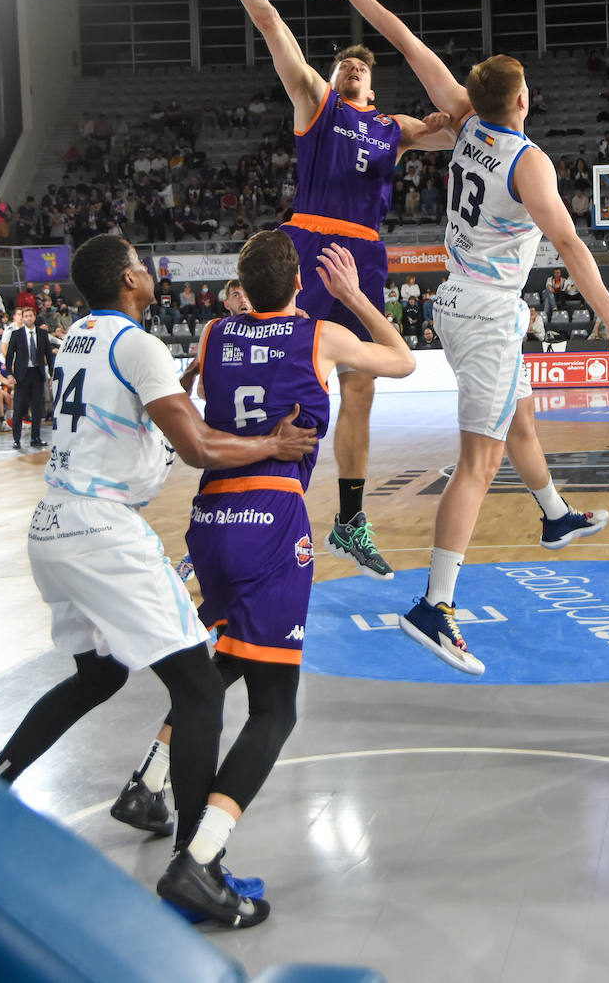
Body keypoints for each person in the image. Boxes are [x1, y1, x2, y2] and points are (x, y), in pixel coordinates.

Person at [299, 0, 609, 674]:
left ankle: (554, 517)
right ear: (522, 101)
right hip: (486, 314)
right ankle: (436, 605)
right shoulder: (529, 161)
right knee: (477, 465)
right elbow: (572, 246)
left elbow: (403, 39)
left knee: (516, 419)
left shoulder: (464, 123)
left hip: (461, 300)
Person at [0, 233, 319, 927]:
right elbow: (198, 447)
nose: (148, 270)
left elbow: (141, 416)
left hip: (50, 521)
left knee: (99, 675)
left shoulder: (78, 333)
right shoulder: (137, 344)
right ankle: (200, 869)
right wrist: (273, 446)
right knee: (200, 691)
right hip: (101, 527)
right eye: (140, 263)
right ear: (127, 281)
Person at [111, 234, 415, 907]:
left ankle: (149, 777)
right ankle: (200, 856)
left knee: (225, 661)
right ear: (302, 282)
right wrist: (354, 296)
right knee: (275, 710)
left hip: (210, 517)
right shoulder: (320, 335)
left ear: (239, 285)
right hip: (271, 519)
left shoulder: (215, 332)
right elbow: (402, 361)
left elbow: (185, 400)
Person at [196, 0, 452, 581]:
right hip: (308, 240)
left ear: (373, 85)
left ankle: (350, 519)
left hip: (365, 254)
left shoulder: (394, 128)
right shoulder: (316, 104)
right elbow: (271, 24)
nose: (346, 73)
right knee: (281, 378)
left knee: (361, 388)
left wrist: (444, 115)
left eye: (357, 71)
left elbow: (461, 124)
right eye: (340, 66)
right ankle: (229, 507)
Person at [6, 307, 53, 450]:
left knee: (37, 408)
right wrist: (9, 373)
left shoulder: (43, 334)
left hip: (37, 373)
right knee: (19, 407)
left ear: (34, 317)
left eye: (30, 315)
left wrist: (51, 374)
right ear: (22, 318)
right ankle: (16, 439)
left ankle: (35, 438)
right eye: (25, 316)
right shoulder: (16, 334)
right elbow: (9, 356)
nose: (28, 318)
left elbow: (49, 356)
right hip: (22, 375)